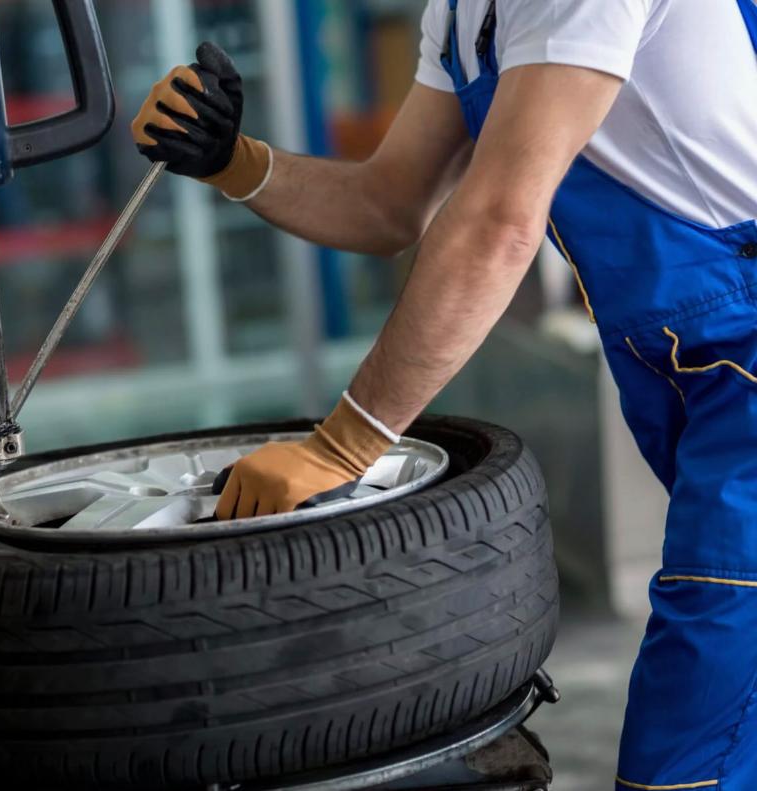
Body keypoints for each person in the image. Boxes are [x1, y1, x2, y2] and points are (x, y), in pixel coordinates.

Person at [132, 1, 757, 788]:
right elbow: (388, 204)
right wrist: (233, 159)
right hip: (689, 367)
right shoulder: (462, 15)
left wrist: (345, 443)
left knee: (694, 728)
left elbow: (500, 219)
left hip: (743, 352)